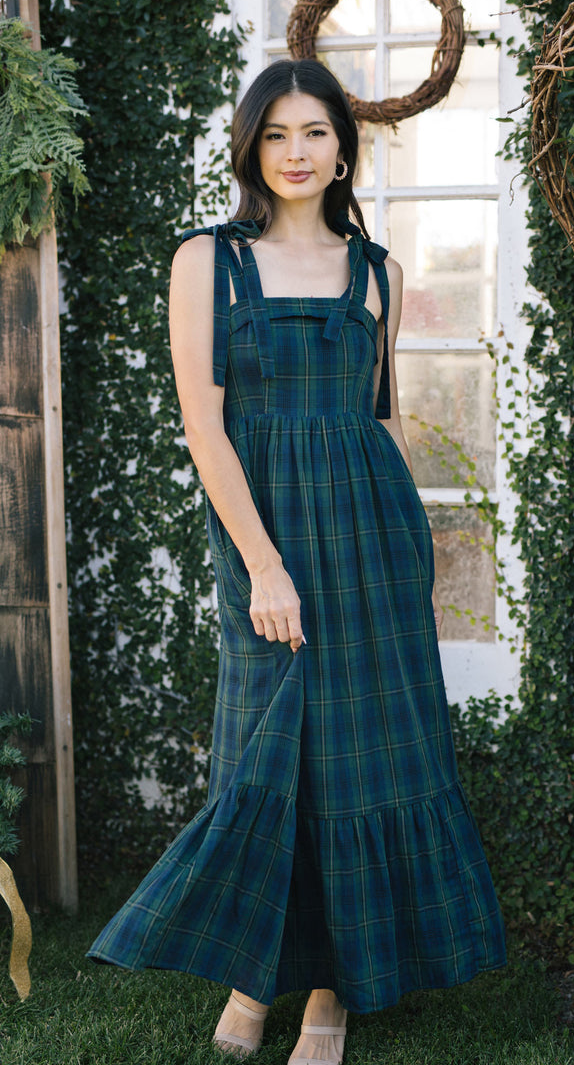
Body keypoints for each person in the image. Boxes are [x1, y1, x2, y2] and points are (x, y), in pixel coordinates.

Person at [88, 58, 505, 1065]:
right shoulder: (207, 261)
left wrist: (419, 552)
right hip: (265, 537)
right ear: (251, 147)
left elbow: (383, 423)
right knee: (265, 755)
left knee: (363, 766)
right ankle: (249, 979)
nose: (297, 152)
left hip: (372, 539)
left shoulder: (380, 274)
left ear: (344, 147)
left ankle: (330, 995)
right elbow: (203, 423)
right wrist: (265, 566)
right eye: (276, 134)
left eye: (315, 132)